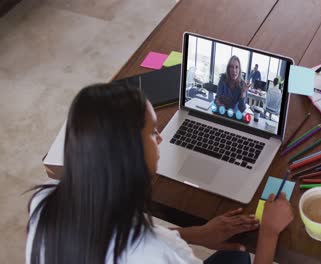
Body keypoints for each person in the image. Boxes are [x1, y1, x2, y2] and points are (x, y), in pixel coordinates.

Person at [26, 82, 294, 264]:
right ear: (131, 155)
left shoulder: (44, 203)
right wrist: (269, 233)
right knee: (241, 255)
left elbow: (116, 239)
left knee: (235, 256)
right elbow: (152, 247)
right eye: (153, 132)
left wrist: (197, 234)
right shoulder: (160, 253)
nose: (161, 139)